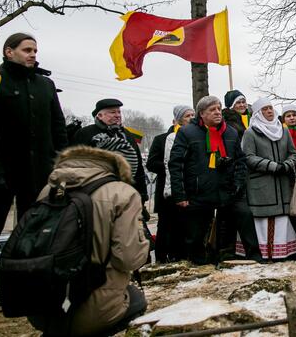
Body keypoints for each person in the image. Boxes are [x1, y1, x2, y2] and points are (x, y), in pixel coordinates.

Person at [0, 33, 67, 324]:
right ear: (8, 52)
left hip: (38, 176)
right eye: (26, 50)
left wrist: (59, 165)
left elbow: (57, 129)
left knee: (33, 236)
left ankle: (26, 290)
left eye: (35, 49)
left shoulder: (45, 85)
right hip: (0, 174)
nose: (33, 54)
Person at [27, 146, 150, 337]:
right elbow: (129, 258)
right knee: (136, 298)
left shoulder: (49, 189)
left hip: (42, 309)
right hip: (95, 310)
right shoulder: (121, 193)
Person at [169, 96, 247, 264]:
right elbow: (176, 164)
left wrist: (238, 183)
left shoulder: (231, 132)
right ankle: (198, 267)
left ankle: (221, 263)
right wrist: (180, 195)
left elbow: (240, 161)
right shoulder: (187, 132)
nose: (218, 112)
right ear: (201, 114)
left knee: (225, 235)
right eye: (212, 110)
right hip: (198, 194)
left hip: (225, 193)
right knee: (196, 236)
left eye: (219, 108)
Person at [241, 98, 296, 261]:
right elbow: (248, 157)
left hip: (282, 186)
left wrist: (287, 164)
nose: (269, 111)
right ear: (258, 113)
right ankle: (265, 254)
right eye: (265, 109)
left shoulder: (283, 130)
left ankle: (283, 253)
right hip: (262, 186)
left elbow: (293, 152)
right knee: (264, 221)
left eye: (271, 108)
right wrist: (272, 166)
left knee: (282, 220)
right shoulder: (251, 132)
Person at [73, 99, 149, 204]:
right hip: (94, 195)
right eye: (112, 112)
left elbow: (139, 168)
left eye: (119, 112)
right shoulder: (86, 133)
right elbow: (75, 165)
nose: (117, 115)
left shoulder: (127, 135)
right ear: (99, 115)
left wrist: (142, 195)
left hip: (125, 194)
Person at [146, 105, 194, 263]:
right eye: (188, 116)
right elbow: (151, 163)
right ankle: (161, 258)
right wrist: (173, 166)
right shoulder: (161, 139)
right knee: (165, 225)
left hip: (187, 189)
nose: (191, 118)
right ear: (179, 119)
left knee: (184, 226)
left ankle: (181, 256)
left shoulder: (194, 138)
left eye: (193, 115)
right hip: (166, 190)